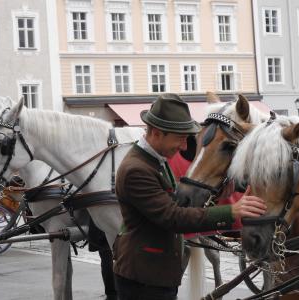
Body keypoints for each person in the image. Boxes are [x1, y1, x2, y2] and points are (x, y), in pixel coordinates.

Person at [113, 93, 266, 300]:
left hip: (154, 273)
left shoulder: (152, 159)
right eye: (180, 139)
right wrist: (232, 211)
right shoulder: (136, 170)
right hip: (144, 277)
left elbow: (171, 201)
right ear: (157, 133)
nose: (184, 147)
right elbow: (172, 216)